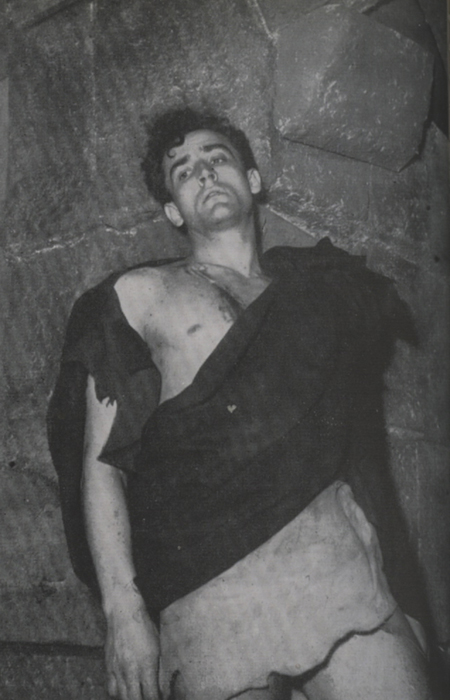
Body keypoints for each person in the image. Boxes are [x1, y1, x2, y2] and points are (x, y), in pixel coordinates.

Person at [48, 107, 434, 700]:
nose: (204, 173)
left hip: (327, 552)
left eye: (217, 157)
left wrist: (405, 595)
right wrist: (123, 611)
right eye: (183, 171)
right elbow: (102, 466)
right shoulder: (137, 295)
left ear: (253, 181)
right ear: (173, 211)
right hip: (207, 583)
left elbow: (363, 452)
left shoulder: (320, 294)